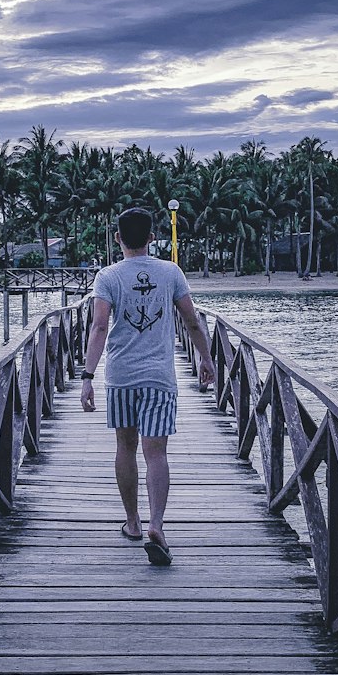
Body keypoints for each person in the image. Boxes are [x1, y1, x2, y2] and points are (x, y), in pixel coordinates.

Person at [80, 206, 215, 566]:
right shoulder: (170, 272)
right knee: (156, 453)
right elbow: (192, 320)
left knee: (125, 448)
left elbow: (99, 327)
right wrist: (206, 358)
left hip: (121, 375)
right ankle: (157, 524)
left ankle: (134, 523)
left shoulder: (107, 276)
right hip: (159, 377)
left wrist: (87, 376)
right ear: (153, 238)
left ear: (117, 238)